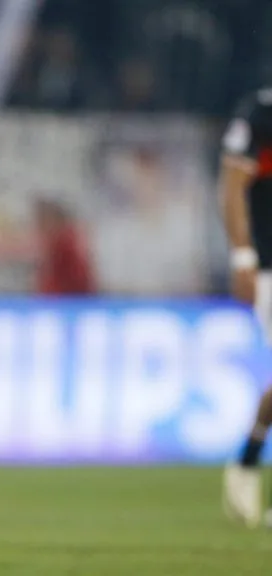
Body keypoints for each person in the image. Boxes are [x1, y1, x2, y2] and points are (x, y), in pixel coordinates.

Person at [219, 85, 272, 529]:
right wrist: (243, 256)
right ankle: (247, 462)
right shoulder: (262, 109)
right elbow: (232, 183)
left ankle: (248, 459)